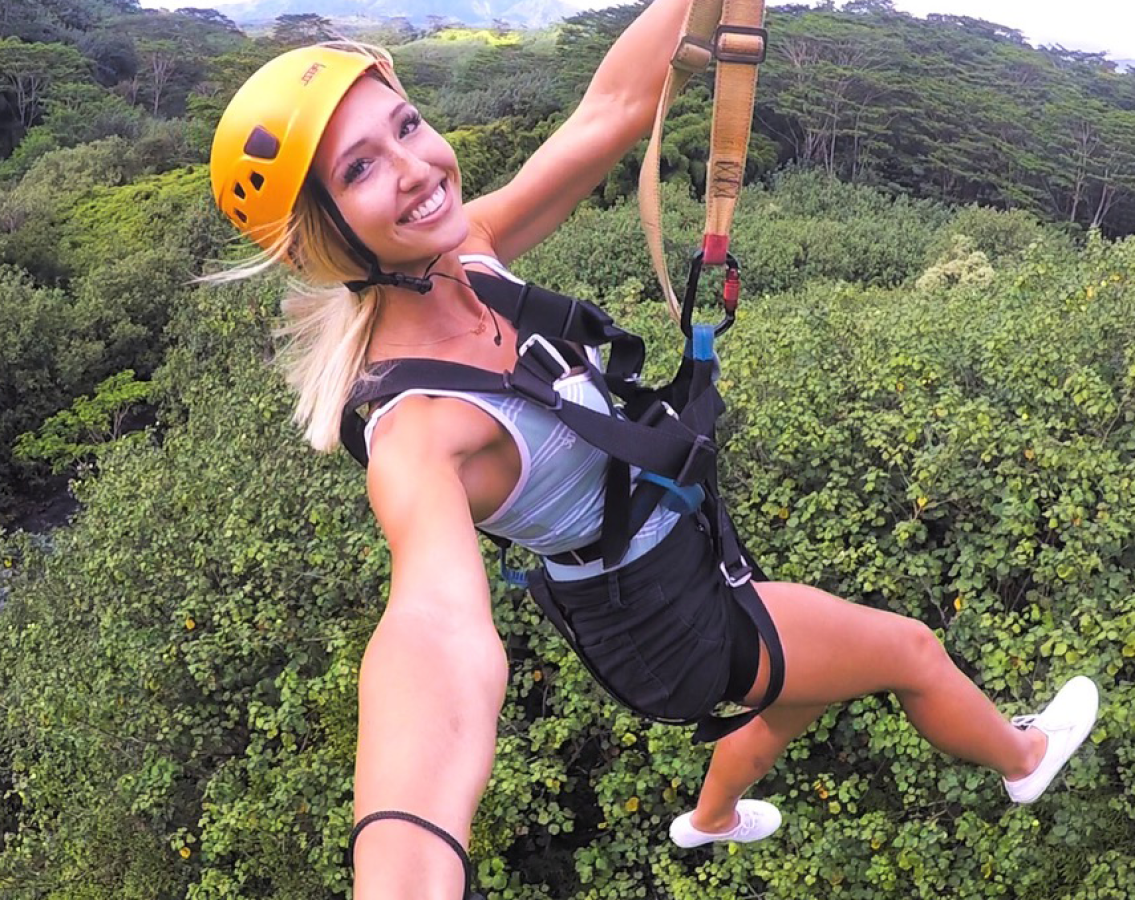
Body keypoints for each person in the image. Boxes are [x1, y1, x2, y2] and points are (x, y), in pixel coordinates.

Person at [207, 2, 1100, 896]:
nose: (416, 168)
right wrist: (400, 862)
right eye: (362, 168)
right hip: (663, 622)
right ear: (321, 235)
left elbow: (613, 111)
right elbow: (432, 634)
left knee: (807, 683)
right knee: (905, 651)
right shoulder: (421, 430)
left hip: (669, 571)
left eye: (407, 125)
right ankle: (1023, 758)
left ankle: (710, 820)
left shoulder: (466, 254)